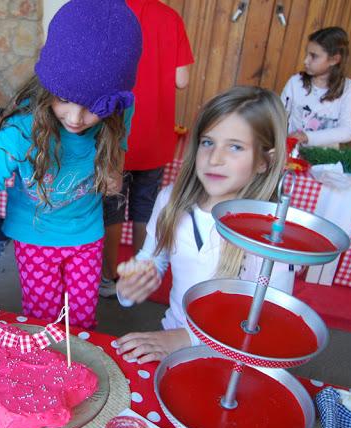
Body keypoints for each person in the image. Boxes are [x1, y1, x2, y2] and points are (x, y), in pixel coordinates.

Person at [0, 0, 142, 345]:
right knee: (42, 323)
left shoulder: (119, 111)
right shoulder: (21, 133)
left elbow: (115, 164)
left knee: (82, 325)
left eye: (92, 108)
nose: (76, 118)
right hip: (36, 238)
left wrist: (112, 172)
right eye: (65, 99)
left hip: (87, 233)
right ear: (48, 84)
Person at [114, 86, 293, 364]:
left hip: (235, 361)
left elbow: (270, 321)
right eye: (208, 142)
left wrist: (189, 339)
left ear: (264, 161)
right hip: (171, 338)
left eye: (235, 146)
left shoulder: (272, 232)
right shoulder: (169, 199)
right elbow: (152, 259)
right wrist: (130, 286)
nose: (215, 158)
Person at [100, 0, 194, 297]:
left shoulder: (108, 12)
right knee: (147, 208)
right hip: (156, 131)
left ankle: (107, 278)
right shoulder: (170, 17)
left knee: (111, 208)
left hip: (115, 132)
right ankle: (139, 279)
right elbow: (182, 79)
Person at [281, 26, 351, 148]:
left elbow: (348, 131)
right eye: (306, 54)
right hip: (292, 156)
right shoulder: (295, 82)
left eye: (313, 56)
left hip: (325, 161)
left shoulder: (348, 88)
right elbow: (279, 116)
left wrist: (307, 137)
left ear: (334, 60)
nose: (305, 61)